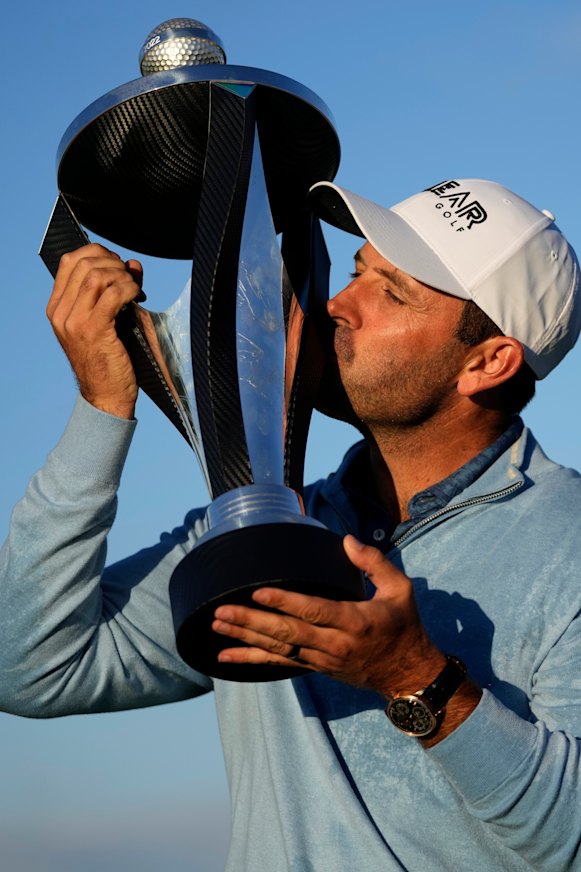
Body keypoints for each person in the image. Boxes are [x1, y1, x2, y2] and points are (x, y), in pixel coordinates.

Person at [1, 176, 581, 871]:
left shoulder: (568, 544)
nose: (339, 303)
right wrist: (101, 406)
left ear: (487, 362)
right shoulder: (265, 520)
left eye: (391, 293)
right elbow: (27, 667)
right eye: (359, 271)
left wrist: (410, 674)